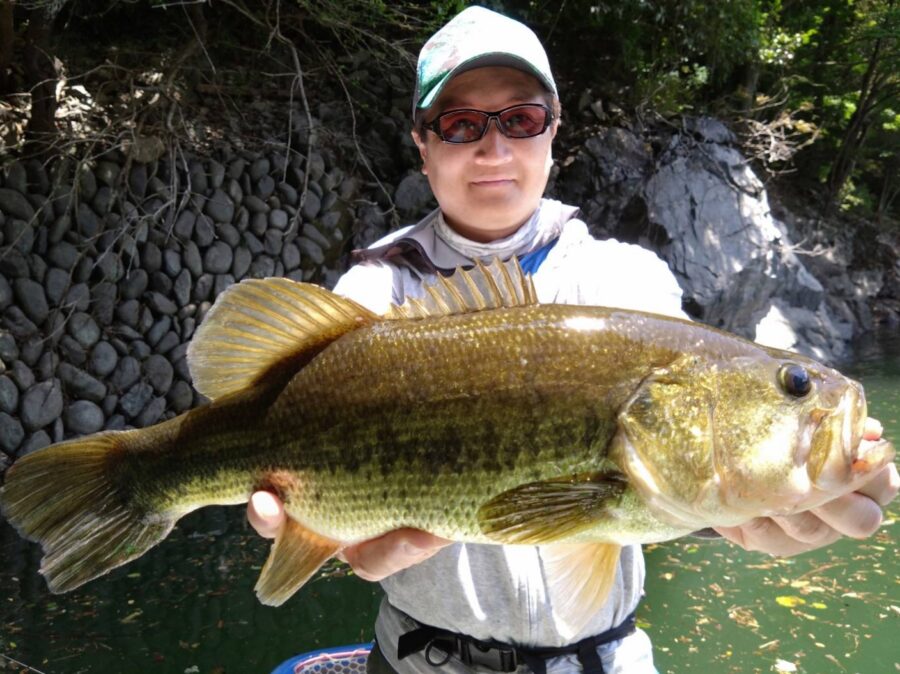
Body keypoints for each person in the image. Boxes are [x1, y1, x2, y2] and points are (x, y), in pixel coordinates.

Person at [248, 7, 899, 673]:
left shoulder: (627, 281)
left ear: (554, 129)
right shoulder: (371, 296)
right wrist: (322, 534)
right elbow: (316, 483)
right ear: (422, 140)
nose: (494, 149)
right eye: (461, 124)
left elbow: (663, 485)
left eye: (521, 120)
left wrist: (751, 513)